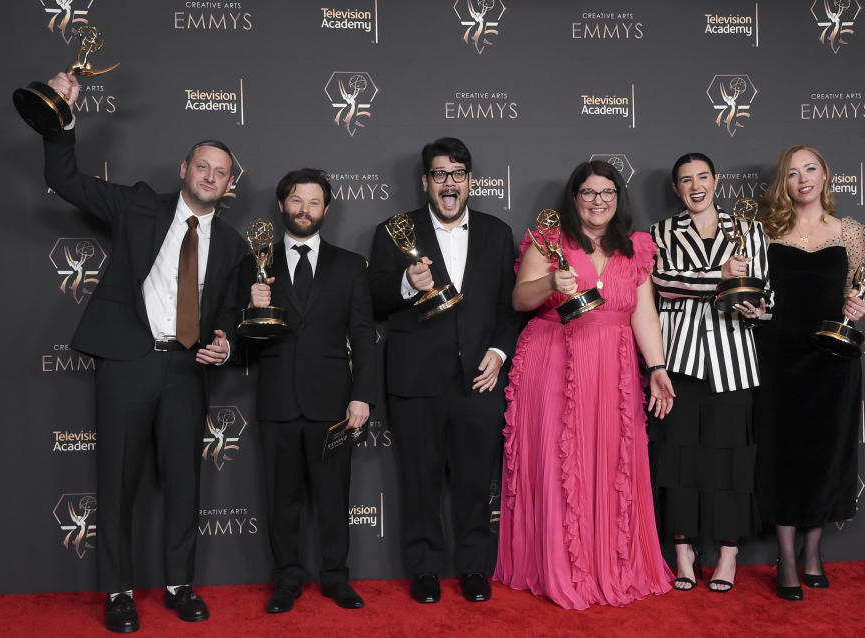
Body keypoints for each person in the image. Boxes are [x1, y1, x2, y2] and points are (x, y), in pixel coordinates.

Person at [38, 73, 246, 633]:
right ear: (184, 170)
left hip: (186, 370)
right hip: (127, 361)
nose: (210, 176)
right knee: (118, 480)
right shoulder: (137, 207)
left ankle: (179, 584)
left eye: (221, 172)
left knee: (184, 481)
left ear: (229, 185)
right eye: (202, 166)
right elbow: (63, 178)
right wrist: (62, 115)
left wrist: (225, 342)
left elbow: (228, 311)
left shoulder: (233, 243)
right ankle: (118, 590)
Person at [494, 159, 675, 610]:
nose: (599, 201)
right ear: (574, 198)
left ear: (618, 199)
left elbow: (643, 312)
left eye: (607, 193)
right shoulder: (549, 240)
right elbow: (520, 299)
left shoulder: (635, 247)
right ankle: (560, 567)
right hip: (556, 359)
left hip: (613, 367)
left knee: (612, 462)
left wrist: (656, 367)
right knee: (561, 463)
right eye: (589, 193)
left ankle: (611, 565)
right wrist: (550, 282)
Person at [368, 137, 521, 604]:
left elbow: (509, 307)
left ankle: (474, 566)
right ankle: (425, 569)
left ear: (470, 180)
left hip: (480, 379)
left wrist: (498, 351)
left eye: (457, 173)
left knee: (476, 481)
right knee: (419, 481)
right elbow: (374, 301)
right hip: (416, 381)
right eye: (439, 174)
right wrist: (405, 284)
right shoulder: (395, 231)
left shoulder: (497, 232)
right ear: (425, 182)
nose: (448, 183)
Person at [240, 169, 375, 613]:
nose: (304, 209)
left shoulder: (350, 265)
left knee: (334, 498)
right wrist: (253, 309)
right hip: (277, 399)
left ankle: (337, 578)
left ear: (326, 209)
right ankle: (287, 581)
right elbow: (244, 342)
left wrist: (362, 395)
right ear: (281, 206)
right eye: (296, 201)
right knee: (283, 501)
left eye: (314, 202)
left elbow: (363, 332)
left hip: (333, 401)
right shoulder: (256, 262)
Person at [754, 145, 865, 601]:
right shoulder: (765, 232)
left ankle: (813, 552)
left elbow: (854, 294)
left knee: (826, 454)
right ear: (782, 183)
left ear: (825, 174)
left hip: (831, 360)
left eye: (810, 169)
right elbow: (758, 295)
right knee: (780, 454)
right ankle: (785, 558)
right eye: (792, 172)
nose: (802, 178)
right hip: (778, 357)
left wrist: (857, 307)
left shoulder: (854, 234)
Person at [648, 153, 770, 593]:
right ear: (677, 189)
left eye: (702, 177)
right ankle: (683, 551)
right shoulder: (662, 232)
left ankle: (729, 553)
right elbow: (665, 282)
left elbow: (764, 296)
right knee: (678, 460)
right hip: (678, 362)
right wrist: (718, 278)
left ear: (716, 181)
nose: (695, 185)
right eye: (686, 180)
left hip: (733, 364)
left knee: (731, 461)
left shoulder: (750, 230)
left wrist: (755, 307)